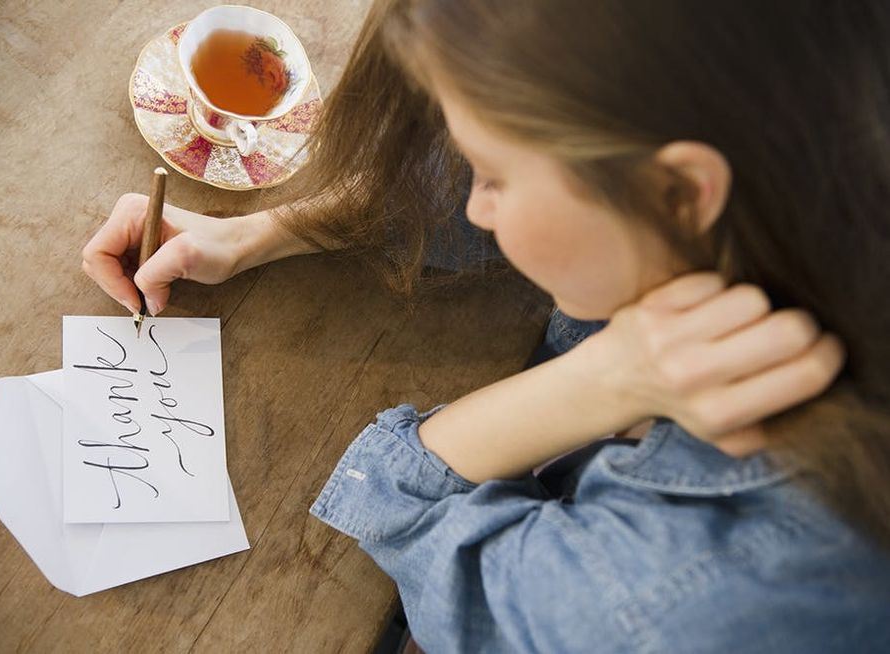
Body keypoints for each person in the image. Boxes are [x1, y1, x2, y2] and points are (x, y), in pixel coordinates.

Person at [82, 0, 890, 650]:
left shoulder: (690, 604)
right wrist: (263, 231)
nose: (476, 204)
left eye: (496, 176)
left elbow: (411, 515)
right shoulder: (820, 139)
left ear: (679, 193)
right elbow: (487, 182)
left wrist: (609, 376)